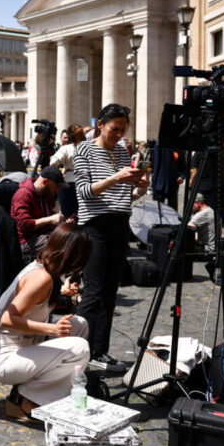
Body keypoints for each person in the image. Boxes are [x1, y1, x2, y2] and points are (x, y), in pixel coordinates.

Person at [0, 222, 92, 420]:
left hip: (24, 346)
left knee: (79, 325)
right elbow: (7, 319)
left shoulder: (46, 271)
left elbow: (35, 301)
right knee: (80, 348)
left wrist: (61, 291)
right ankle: (27, 400)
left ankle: (33, 391)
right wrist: (52, 329)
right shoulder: (41, 278)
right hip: (4, 358)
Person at [74, 104, 149, 373]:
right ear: (100, 125)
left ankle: (100, 351)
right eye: (114, 129)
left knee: (109, 292)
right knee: (93, 292)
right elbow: (84, 191)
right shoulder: (83, 149)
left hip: (120, 224)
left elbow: (123, 197)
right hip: (94, 226)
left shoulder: (120, 150)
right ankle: (77, 352)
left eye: (123, 130)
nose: (118, 135)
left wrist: (140, 190)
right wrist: (117, 177)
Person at [10, 165, 64, 260]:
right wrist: (50, 219)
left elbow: (48, 218)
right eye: (57, 186)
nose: (58, 190)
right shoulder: (24, 194)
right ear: (45, 182)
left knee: (70, 236)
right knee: (62, 243)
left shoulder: (46, 194)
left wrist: (62, 223)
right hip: (25, 241)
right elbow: (24, 225)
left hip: (42, 235)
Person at [48, 124, 86, 219]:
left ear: (69, 136)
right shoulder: (89, 148)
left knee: (68, 218)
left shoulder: (66, 148)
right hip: (86, 184)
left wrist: (61, 173)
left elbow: (53, 162)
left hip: (69, 184)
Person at [187, 193, 216, 280]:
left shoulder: (202, 214)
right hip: (212, 247)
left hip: (207, 250)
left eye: (191, 204)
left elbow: (188, 229)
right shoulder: (210, 210)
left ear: (197, 203)